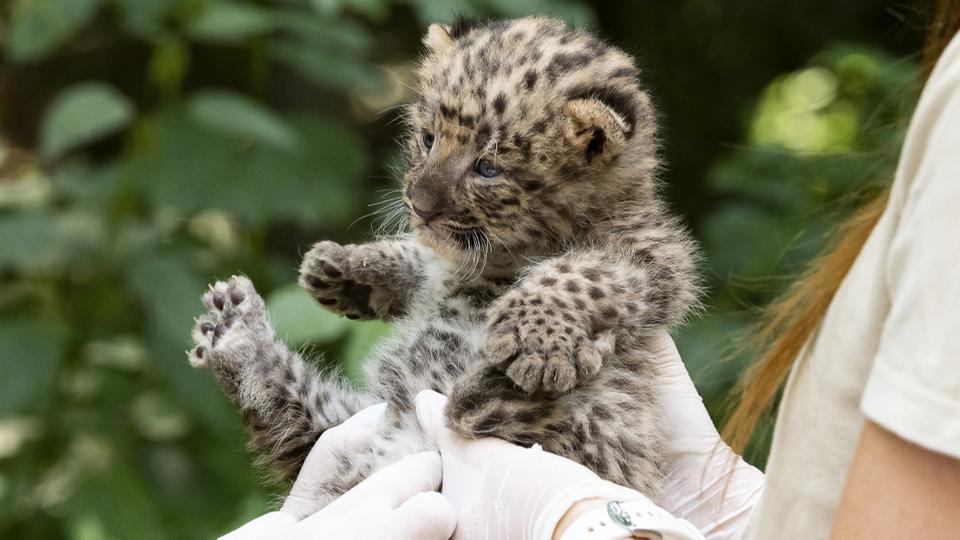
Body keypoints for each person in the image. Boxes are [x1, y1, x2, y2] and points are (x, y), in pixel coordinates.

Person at [226, 4, 960, 538]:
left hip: (549, 463)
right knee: (362, 455)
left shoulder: (621, 240)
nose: (422, 189)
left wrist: (558, 301)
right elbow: (453, 268)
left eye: (483, 166)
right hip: (424, 449)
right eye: (425, 142)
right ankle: (265, 383)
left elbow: (636, 278)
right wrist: (391, 269)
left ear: (589, 151)